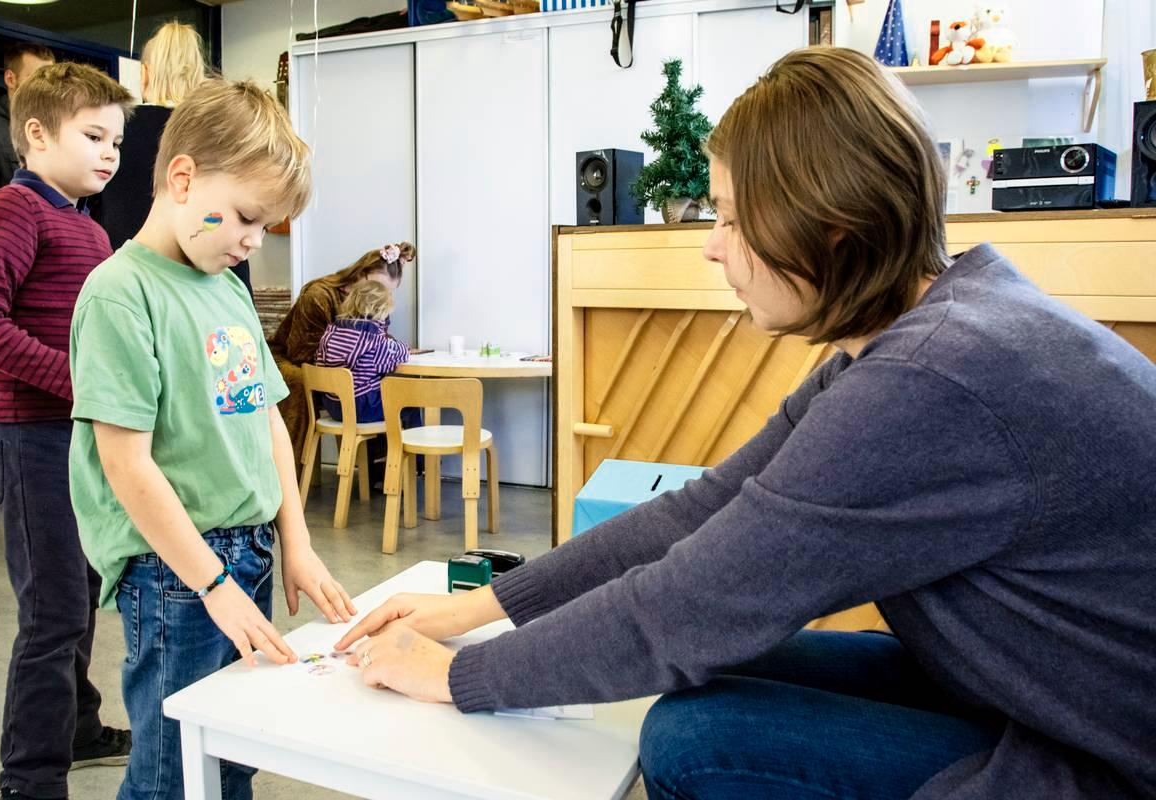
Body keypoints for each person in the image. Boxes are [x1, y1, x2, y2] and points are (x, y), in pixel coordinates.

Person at [334, 47, 1156, 800]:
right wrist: (478, 612)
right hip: (1041, 691)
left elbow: (685, 608)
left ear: (828, 221)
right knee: (722, 669)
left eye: (730, 218)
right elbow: (705, 508)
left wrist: (455, 679)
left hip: (1110, 755)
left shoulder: (929, 379)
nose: (712, 247)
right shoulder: (927, 336)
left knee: (695, 738)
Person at [68, 78, 356, 800]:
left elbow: (266, 421)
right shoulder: (118, 294)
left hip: (245, 553)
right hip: (177, 576)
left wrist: (296, 539)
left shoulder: (225, 287)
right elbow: (126, 464)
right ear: (183, 177)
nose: (253, 242)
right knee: (173, 769)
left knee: (230, 754)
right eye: (247, 220)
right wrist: (213, 583)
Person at [0, 62, 134, 800]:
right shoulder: (13, 212)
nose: (109, 155)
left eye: (116, 142)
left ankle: (77, 727)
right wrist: (81, 385)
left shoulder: (83, 222)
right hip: (28, 438)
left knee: (81, 591)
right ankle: (30, 779)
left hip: (76, 436)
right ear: (35, 134)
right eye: (94, 136)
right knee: (52, 612)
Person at [88, 22, 253, 294]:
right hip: (207, 282)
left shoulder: (116, 131)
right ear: (198, 72)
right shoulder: (222, 135)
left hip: (124, 280)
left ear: (145, 74)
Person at [269, 240, 414, 466]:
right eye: (377, 288)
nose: (379, 297)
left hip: (337, 374)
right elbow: (301, 351)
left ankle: (379, 469)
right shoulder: (318, 295)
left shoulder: (361, 309)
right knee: (386, 393)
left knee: (378, 380)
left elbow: (372, 343)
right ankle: (290, 471)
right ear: (361, 274)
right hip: (289, 358)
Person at [314, 277, 410, 423]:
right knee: (407, 404)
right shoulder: (373, 340)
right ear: (381, 311)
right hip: (360, 407)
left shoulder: (331, 333)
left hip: (334, 405)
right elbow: (400, 354)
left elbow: (319, 363)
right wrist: (402, 345)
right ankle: (411, 446)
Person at [0, 42, 55, 191]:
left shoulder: (54, 126)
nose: (45, 86)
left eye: (50, 79)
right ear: (10, 79)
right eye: (36, 78)